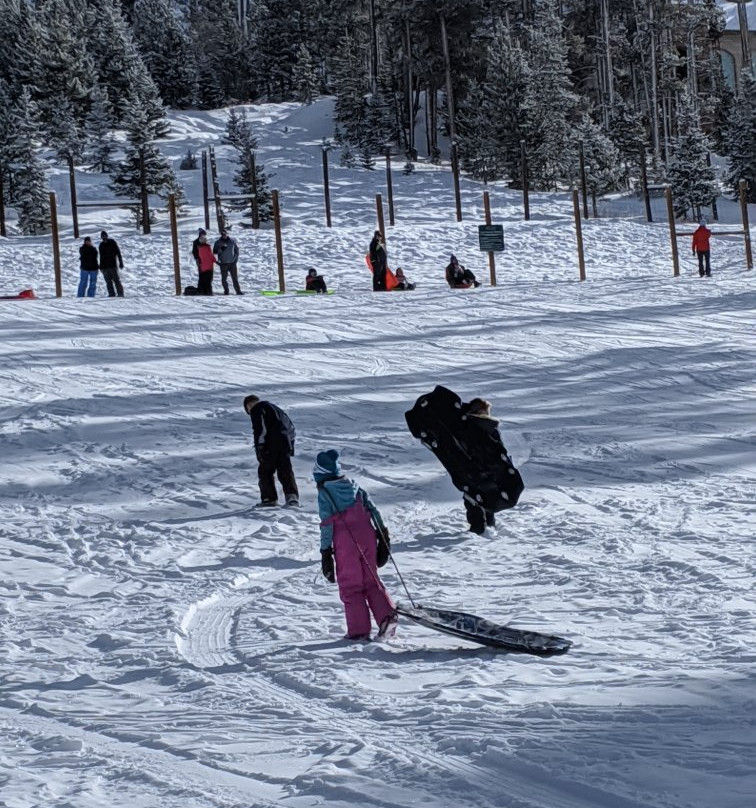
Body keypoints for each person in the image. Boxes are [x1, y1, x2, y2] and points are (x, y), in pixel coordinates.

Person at [314, 449, 397, 640]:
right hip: (367, 535)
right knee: (371, 579)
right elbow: (373, 510)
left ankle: (359, 631)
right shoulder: (353, 485)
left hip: (346, 543)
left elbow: (327, 524)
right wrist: (383, 535)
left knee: (351, 585)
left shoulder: (325, 492)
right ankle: (387, 617)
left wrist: (325, 552)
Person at [243, 394, 299, 507]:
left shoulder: (257, 409)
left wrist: (260, 448)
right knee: (285, 470)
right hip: (285, 443)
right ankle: (292, 498)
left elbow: (260, 429)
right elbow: (291, 427)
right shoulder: (277, 409)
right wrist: (290, 445)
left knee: (265, 471)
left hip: (270, 445)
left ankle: (269, 499)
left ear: (249, 406)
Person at [461, 398, 502, 534]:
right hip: (490, 468)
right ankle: (489, 526)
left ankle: (477, 528)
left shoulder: (465, 426)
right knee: (489, 497)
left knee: (472, 498)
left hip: (470, 468)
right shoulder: (491, 427)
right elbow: (500, 449)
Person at [212, 229, 243, 295]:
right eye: (222, 234)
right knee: (224, 279)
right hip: (223, 263)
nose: (224, 235)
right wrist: (220, 250)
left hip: (232, 263)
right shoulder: (218, 242)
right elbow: (214, 252)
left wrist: (235, 260)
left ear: (227, 233)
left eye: (225, 234)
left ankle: (238, 291)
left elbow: (236, 251)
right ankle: (226, 291)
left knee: (235, 278)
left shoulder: (232, 241)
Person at [98, 231, 125, 297]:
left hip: (112, 265)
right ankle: (111, 294)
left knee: (116, 280)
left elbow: (118, 253)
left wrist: (121, 262)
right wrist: (100, 266)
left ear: (107, 236)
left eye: (105, 236)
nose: (104, 237)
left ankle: (120, 294)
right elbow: (101, 257)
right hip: (104, 267)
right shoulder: (101, 245)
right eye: (102, 236)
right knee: (108, 282)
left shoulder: (112, 242)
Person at [192, 228, 216, 295]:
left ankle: (205, 289)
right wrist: (198, 259)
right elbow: (194, 252)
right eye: (203, 234)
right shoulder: (196, 242)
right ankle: (202, 289)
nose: (204, 235)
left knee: (206, 275)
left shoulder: (204, 243)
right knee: (202, 275)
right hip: (200, 261)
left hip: (206, 261)